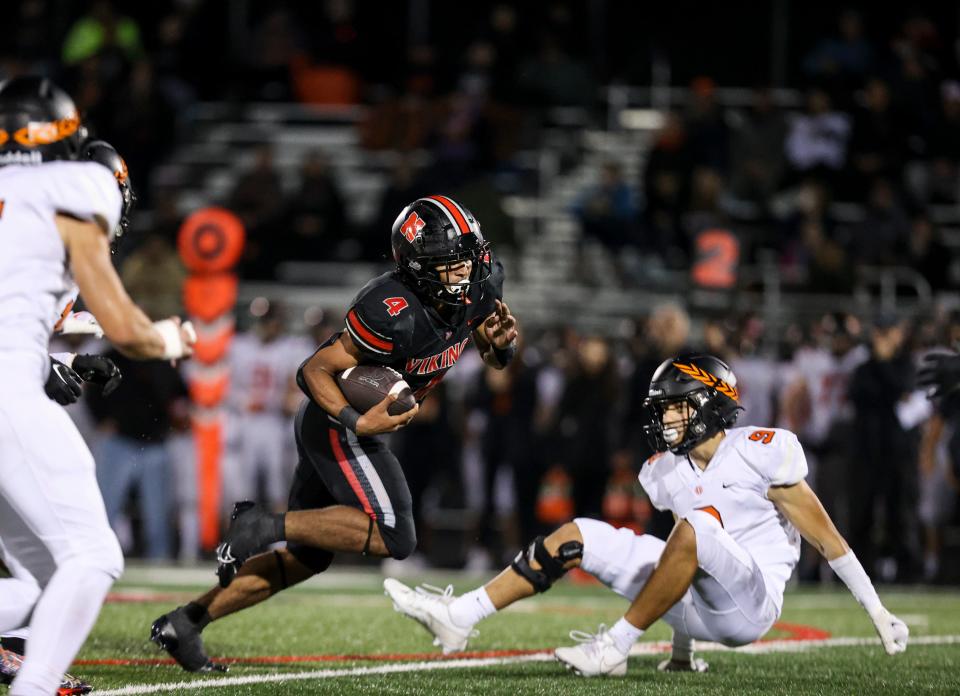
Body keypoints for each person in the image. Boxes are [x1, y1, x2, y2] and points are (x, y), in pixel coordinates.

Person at [150, 195, 520, 672]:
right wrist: (357, 422)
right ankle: (261, 526)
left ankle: (186, 622)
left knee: (306, 560)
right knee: (396, 535)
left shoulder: (482, 283)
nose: (466, 272)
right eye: (451, 264)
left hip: (350, 427)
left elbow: (493, 356)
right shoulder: (391, 308)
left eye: (469, 257)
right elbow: (313, 371)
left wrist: (502, 348)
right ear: (418, 267)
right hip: (334, 422)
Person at [384, 354, 908, 677]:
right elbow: (680, 559)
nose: (668, 417)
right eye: (664, 407)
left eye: (679, 405)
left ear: (711, 403)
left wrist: (877, 611)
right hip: (700, 603)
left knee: (700, 525)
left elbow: (827, 537)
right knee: (580, 533)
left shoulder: (762, 450)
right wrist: (682, 650)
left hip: (752, 604)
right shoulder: (664, 470)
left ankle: (615, 646)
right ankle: (461, 617)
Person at [0, 76, 195, 696]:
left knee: (43, 577)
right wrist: (166, 339)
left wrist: (55, 365)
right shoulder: (72, 186)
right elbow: (121, 324)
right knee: (93, 555)